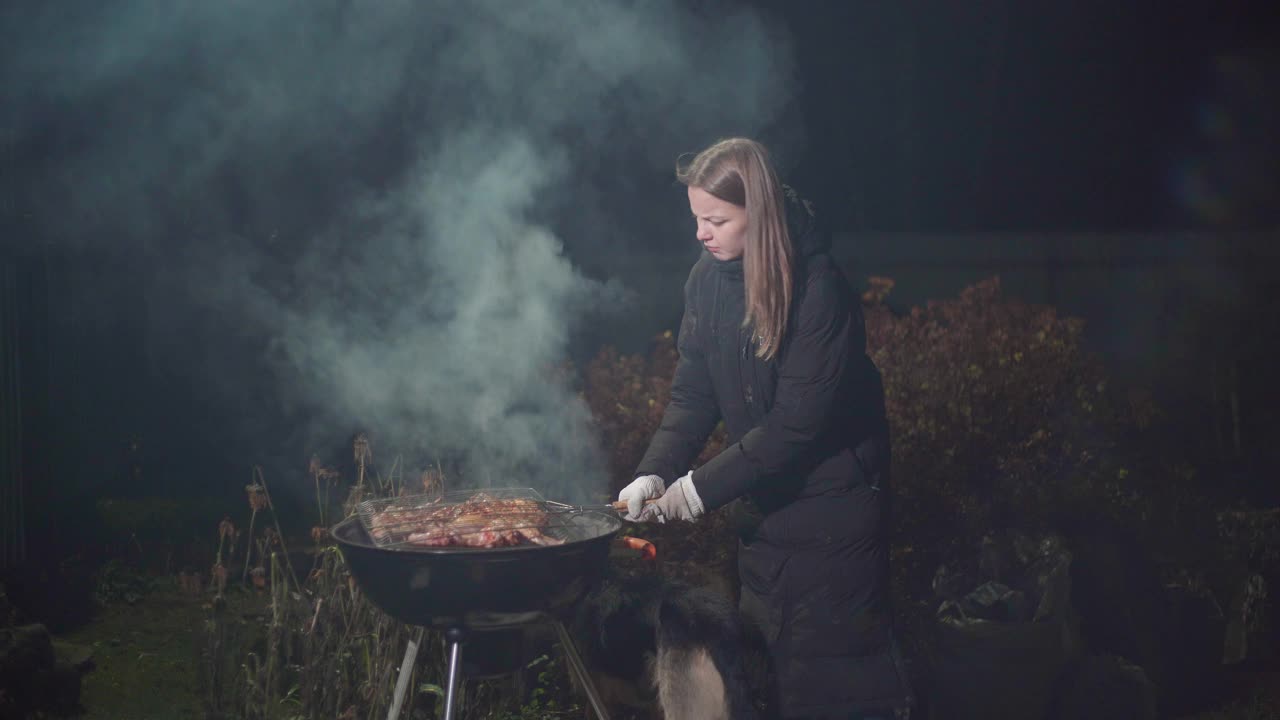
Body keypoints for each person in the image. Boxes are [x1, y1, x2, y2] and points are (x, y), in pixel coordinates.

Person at [618, 138, 911, 719]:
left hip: (834, 520)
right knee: (768, 674)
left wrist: (697, 492)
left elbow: (795, 427)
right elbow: (693, 395)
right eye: (697, 218)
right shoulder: (707, 280)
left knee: (834, 685)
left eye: (717, 219)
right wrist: (654, 472)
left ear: (761, 213)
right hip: (765, 521)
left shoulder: (817, 290)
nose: (701, 232)